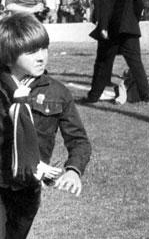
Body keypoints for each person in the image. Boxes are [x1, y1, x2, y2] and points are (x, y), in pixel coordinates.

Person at [0, 13, 91, 238]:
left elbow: (78, 140)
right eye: (31, 52)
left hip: (29, 188)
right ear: (9, 57)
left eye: (44, 48)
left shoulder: (57, 93)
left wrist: (73, 171)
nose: (41, 57)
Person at [81, 0, 149, 103]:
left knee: (102, 64)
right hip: (129, 26)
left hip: (111, 27)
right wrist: (132, 21)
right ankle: (146, 95)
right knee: (135, 63)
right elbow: (139, 4)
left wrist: (103, 26)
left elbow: (102, 3)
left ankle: (93, 96)